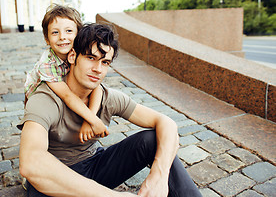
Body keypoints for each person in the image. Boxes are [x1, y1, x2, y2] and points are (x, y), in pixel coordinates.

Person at [18, 23, 202, 197]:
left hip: (95, 166)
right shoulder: (45, 98)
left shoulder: (107, 97)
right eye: (91, 58)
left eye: (105, 62)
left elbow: (166, 123)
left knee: (153, 139)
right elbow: (31, 163)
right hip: (57, 179)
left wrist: (159, 176)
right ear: (73, 56)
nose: (98, 69)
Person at [24, 4, 108, 142]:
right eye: (55, 32)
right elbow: (67, 95)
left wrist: (90, 119)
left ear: (78, 34)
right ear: (47, 38)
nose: (62, 37)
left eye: (68, 31)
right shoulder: (46, 64)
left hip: (64, 91)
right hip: (39, 96)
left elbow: (96, 86)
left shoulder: (77, 53)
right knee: (42, 127)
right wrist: (94, 121)